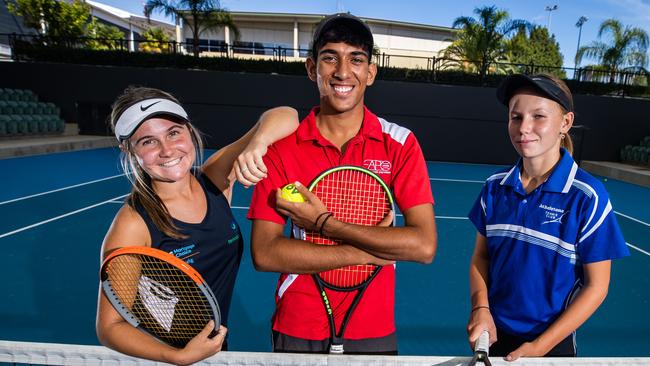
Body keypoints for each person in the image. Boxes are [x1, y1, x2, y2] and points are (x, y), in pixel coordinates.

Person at [247, 13, 437, 355]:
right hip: (297, 323)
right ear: (311, 69)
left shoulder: (400, 143)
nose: (342, 71)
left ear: (371, 72)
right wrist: (362, 253)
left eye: (356, 59)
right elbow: (264, 253)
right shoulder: (281, 148)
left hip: (373, 326)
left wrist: (325, 224)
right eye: (330, 57)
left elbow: (423, 245)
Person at [96, 86, 299, 365]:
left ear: (189, 131)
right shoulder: (133, 224)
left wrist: (257, 144)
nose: (167, 150)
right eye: (148, 142)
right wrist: (176, 356)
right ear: (129, 149)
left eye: (173, 133)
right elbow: (110, 327)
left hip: (212, 351)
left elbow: (286, 115)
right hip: (165, 357)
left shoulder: (215, 180)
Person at [466, 74, 629, 361]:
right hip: (493, 335)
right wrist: (481, 309)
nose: (524, 128)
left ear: (565, 123)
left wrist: (540, 348)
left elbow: (597, 286)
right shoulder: (495, 187)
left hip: (552, 345)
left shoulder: (587, 196)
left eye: (538, 116)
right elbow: (481, 258)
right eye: (516, 117)